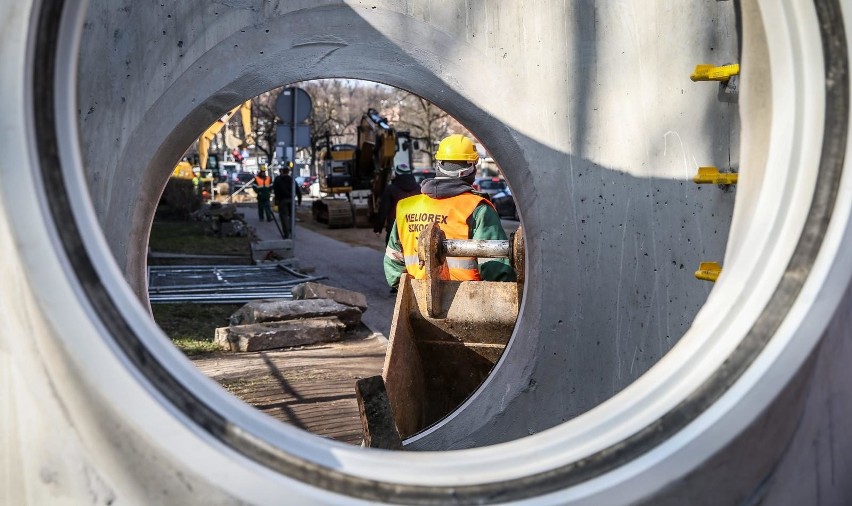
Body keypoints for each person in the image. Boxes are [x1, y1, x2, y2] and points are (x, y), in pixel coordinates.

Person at [384, 134, 516, 290]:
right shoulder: (477, 208)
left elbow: (393, 266)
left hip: (416, 302)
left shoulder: (406, 207)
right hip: (469, 305)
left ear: (438, 164)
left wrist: (413, 291)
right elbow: (496, 270)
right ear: (472, 168)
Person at [373, 163, 421, 244]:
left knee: (393, 255)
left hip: (395, 228)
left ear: (396, 174)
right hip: (414, 227)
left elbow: (384, 209)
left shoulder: (391, 189)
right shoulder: (418, 189)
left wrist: (378, 228)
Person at [272, 165, 302, 238]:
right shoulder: (292, 180)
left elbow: (275, 191)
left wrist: (276, 201)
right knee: (292, 217)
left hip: (282, 201)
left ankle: (286, 233)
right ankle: (291, 231)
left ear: (282, 172)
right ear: (288, 172)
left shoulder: (278, 180)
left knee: (284, 217)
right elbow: (298, 191)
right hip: (291, 200)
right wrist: (299, 201)